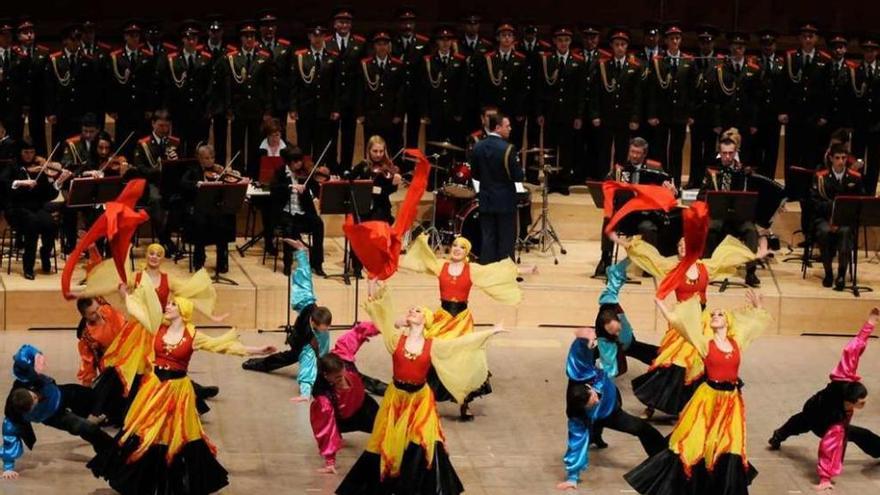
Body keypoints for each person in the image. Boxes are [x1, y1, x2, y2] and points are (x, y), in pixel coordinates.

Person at [87, 283, 275, 494]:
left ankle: (179, 482)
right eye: (168, 304)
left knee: (177, 434)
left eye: (173, 305)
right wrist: (125, 293)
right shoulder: (157, 327)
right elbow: (137, 310)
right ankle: (137, 479)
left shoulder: (193, 336)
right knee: (145, 430)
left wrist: (258, 350)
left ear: (183, 311)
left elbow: (223, 346)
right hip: (154, 389)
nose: (168, 307)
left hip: (178, 393)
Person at [336, 280, 502, 495]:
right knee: (387, 440)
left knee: (425, 440)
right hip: (396, 399)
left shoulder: (433, 345)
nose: (412, 312)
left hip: (420, 400)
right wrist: (376, 293)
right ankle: (381, 485)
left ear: (425, 320)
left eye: (417, 311)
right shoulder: (396, 340)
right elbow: (382, 319)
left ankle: (430, 487)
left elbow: (461, 344)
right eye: (411, 310)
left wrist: (491, 332)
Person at [615, 201, 766, 418]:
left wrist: (755, 255)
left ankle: (701, 404)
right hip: (682, 321)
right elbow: (651, 258)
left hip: (703, 319)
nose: (683, 247)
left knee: (699, 363)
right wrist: (628, 244)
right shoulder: (673, 269)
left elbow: (729, 258)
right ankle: (652, 404)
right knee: (670, 362)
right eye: (679, 246)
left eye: (686, 244)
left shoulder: (707, 267)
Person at [625, 290, 772, 495]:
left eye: (720, 314)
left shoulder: (737, 343)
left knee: (729, 444)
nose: (714, 316)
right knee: (694, 442)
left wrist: (758, 306)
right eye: (713, 315)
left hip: (731, 403)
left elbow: (755, 325)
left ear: (728, 322)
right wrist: (661, 304)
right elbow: (680, 324)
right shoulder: (705, 344)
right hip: (707, 399)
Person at [402, 233, 525, 419]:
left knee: (464, 357)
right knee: (435, 355)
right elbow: (422, 259)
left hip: (461, 319)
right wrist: (419, 243)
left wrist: (523, 270)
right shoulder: (441, 265)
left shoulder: (472, 269)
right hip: (443, 318)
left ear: (466, 252)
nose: (457, 249)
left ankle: (464, 403)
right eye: (455, 245)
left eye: (462, 247)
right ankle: (427, 402)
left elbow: (496, 272)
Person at [769, 308, 880, 491]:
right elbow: (828, 449)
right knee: (798, 424)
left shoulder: (845, 377)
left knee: (863, 435)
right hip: (815, 415)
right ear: (850, 401)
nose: (864, 404)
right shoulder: (837, 421)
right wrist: (825, 478)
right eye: (861, 402)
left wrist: (870, 324)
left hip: (821, 413)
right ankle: (777, 436)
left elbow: (852, 350)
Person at [556, 324, 665, 491]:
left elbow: (582, 341)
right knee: (640, 428)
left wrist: (593, 335)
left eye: (593, 398)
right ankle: (663, 458)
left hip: (611, 399)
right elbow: (575, 441)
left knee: (605, 424)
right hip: (610, 414)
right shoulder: (577, 412)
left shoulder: (581, 366)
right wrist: (572, 477)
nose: (595, 400)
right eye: (592, 402)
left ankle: (662, 460)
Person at [2, 344, 114, 481]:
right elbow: (9, 437)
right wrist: (8, 467)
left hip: (61, 394)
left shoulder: (25, 377)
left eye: (34, 395)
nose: (37, 397)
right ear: (30, 411)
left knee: (95, 397)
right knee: (85, 427)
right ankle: (112, 451)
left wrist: (37, 357)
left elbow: (24, 353)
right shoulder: (14, 415)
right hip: (54, 415)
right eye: (35, 401)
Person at [308, 322, 385, 474]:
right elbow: (325, 428)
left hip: (364, 407)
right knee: (333, 429)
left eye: (342, 373)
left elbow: (357, 332)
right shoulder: (323, 397)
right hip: (342, 418)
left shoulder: (343, 355)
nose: (342, 379)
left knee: (385, 430)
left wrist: (384, 326)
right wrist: (330, 461)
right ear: (326, 376)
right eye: (337, 378)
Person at [596, 137, 673, 276]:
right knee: (608, 221)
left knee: (648, 227)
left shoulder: (655, 168)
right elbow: (606, 185)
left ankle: (648, 265)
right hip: (625, 216)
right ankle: (605, 260)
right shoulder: (620, 170)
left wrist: (672, 189)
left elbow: (671, 189)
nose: (634, 156)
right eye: (632, 152)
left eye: (638, 153)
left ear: (644, 154)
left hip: (646, 217)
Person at [698, 132, 762, 286]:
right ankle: (707, 269)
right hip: (718, 216)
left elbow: (754, 198)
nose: (727, 157)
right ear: (719, 153)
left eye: (730, 153)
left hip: (739, 217)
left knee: (751, 231)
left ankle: (751, 272)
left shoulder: (743, 172)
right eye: (724, 153)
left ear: (736, 152)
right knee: (712, 227)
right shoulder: (712, 170)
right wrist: (711, 200)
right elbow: (700, 196)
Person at [3, 139, 68, 279]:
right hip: (16, 209)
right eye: (26, 152)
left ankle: (45, 255)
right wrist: (21, 182)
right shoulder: (13, 166)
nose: (29, 156)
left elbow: (48, 194)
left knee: (50, 223)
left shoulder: (39, 167)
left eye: (32, 152)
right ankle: (28, 267)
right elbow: (3, 183)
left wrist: (58, 183)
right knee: (32, 224)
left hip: (36, 208)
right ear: (20, 152)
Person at [781, 21, 831, 198]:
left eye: (811, 36)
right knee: (792, 154)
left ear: (816, 39)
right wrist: (783, 111)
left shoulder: (825, 60)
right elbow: (783, 87)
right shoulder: (790, 57)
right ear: (800, 39)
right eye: (804, 37)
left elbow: (827, 90)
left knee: (811, 154)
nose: (808, 39)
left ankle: (808, 190)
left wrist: (824, 114)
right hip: (794, 115)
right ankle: (791, 190)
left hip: (814, 116)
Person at [181, 144, 247, 273]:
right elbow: (183, 183)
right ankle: (199, 260)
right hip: (199, 208)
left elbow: (230, 183)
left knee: (227, 220)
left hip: (216, 208)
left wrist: (230, 174)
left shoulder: (218, 170)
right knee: (200, 222)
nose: (210, 161)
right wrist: (197, 184)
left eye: (212, 157)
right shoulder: (193, 169)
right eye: (206, 158)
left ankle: (222, 261)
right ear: (199, 158)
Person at [537, 25, 586, 195]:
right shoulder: (547, 60)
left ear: (570, 41)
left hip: (569, 113)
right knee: (550, 148)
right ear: (554, 42)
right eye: (560, 40)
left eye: (566, 40)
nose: (563, 43)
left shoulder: (578, 61)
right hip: (551, 112)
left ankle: (564, 181)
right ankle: (550, 181)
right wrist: (541, 112)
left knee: (566, 149)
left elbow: (581, 91)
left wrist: (579, 115)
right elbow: (541, 89)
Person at [645, 22, 694, 187]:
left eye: (677, 38)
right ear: (666, 41)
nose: (675, 41)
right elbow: (651, 90)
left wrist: (690, 114)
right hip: (662, 113)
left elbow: (692, 90)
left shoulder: (688, 61)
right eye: (672, 38)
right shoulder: (658, 61)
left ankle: (676, 183)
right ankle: (662, 182)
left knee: (676, 150)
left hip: (680, 114)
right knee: (660, 150)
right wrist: (652, 114)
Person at [811, 143, 866, 290]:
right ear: (831, 158)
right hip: (825, 218)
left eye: (843, 158)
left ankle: (841, 274)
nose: (841, 161)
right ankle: (828, 272)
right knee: (823, 231)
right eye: (837, 158)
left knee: (846, 232)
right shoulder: (820, 177)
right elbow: (815, 202)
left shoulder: (855, 177)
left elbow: (860, 202)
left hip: (845, 220)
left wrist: (843, 211)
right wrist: (832, 210)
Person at [470, 112, 523, 263]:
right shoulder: (508, 149)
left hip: (486, 198)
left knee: (488, 238)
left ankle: (488, 270)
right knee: (506, 239)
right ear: (498, 127)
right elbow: (518, 176)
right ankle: (505, 273)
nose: (510, 128)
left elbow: (475, 174)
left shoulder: (478, 146)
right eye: (507, 126)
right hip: (505, 200)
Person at [225, 20, 273, 179]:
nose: (249, 39)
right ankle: (238, 174)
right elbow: (228, 85)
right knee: (237, 145)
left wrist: (267, 110)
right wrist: (229, 107)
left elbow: (268, 86)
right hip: (239, 108)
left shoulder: (264, 57)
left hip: (257, 108)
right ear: (241, 39)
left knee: (255, 145)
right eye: (246, 36)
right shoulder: (232, 58)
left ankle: (253, 175)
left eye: (252, 36)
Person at [590, 28, 643, 173]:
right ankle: (603, 180)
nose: (620, 47)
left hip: (624, 117)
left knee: (622, 150)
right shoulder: (603, 66)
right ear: (612, 46)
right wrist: (595, 114)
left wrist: (635, 117)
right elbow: (596, 93)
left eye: (623, 44)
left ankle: (619, 181)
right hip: (606, 115)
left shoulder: (634, 67)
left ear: (627, 46)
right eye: (617, 44)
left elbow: (637, 96)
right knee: (604, 150)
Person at [161, 20, 216, 158]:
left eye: (194, 38)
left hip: (200, 110)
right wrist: (168, 108)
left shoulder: (206, 58)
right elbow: (167, 85)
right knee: (177, 145)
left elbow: (210, 85)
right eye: (188, 38)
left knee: (198, 146)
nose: (191, 41)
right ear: (183, 39)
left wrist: (208, 108)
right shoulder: (172, 59)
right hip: (179, 110)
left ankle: (195, 174)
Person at [289, 23, 340, 172]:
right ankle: (303, 174)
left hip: (324, 109)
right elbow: (294, 84)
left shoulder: (332, 57)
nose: (317, 39)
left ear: (324, 37)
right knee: (304, 145)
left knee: (321, 145)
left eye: (320, 35)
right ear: (309, 37)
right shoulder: (300, 56)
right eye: (314, 35)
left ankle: (318, 176)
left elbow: (336, 85)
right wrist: (293, 107)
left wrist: (336, 107)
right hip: (305, 108)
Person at [270, 146, 326, 276]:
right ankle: (287, 264)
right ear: (289, 162)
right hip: (285, 213)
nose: (299, 164)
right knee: (289, 228)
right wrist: (291, 186)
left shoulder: (305, 173)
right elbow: (274, 188)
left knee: (318, 224)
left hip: (303, 213)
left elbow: (317, 190)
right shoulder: (280, 173)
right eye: (295, 162)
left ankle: (317, 264)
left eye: (300, 161)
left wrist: (320, 181)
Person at [131, 109, 180, 256]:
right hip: (151, 182)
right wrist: (157, 169)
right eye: (160, 126)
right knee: (156, 199)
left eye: (166, 126)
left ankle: (167, 232)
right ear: (153, 124)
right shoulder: (143, 144)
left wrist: (175, 162)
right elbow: (139, 168)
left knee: (180, 199)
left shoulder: (174, 142)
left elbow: (182, 165)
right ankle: (164, 239)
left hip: (170, 181)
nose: (164, 129)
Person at [325, 7, 367, 171]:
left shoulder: (360, 43)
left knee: (349, 137)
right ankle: (332, 167)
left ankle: (345, 168)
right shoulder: (327, 42)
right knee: (332, 136)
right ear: (335, 24)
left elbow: (362, 75)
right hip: (332, 98)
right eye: (341, 22)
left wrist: (360, 104)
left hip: (351, 98)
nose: (344, 25)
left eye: (347, 22)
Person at [356, 31, 405, 157]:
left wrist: (398, 113)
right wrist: (360, 113)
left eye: (385, 44)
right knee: (371, 147)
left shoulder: (397, 64)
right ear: (374, 46)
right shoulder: (365, 65)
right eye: (379, 44)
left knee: (392, 147)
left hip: (391, 115)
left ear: (389, 46)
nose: (382, 47)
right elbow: (360, 90)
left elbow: (401, 91)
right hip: (371, 115)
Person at [75, 297, 126, 387]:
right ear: (85, 316)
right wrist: (86, 388)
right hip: (110, 371)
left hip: (128, 359)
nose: (98, 314)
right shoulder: (86, 336)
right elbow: (87, 363)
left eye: (98, 308)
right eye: (92, 313)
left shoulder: (109, 311)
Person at [352, 135, 402, 224]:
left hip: (381, 206)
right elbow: (350, 178)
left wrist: (393, 184)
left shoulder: (388, 167)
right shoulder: (363, 165)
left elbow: (389, 191)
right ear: (369, 151)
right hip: (364, 205)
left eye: (381, 151)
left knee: (376, 225)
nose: (378, 154)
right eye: (375, 151)